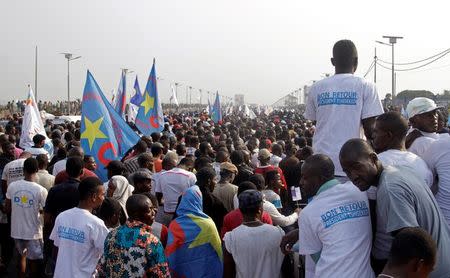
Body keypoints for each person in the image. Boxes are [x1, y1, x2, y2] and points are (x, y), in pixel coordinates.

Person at [339, 139, 450, 277]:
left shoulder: (390, 189)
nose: (353, 176)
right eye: (347, 172)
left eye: (357, 167)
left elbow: (410, 250)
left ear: (373, 159)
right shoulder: (399, 171)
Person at [281, 154, 374, 278]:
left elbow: (319, 258)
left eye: (305, 177)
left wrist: (302, 233)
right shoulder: (359, 191)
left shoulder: (309, 213)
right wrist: (301, 232)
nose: (301, 182)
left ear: (320, 178)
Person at [304, 39, 384, 179]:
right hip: (353, 166)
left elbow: (318, 122)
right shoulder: (366, 86)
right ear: (356, 61)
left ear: (333, 61)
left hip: (321, 164)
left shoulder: (316, 87)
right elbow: (370, 129)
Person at [97, 194, 170, 277]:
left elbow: (102, 268)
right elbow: (161, 274)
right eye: (149, 210)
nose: (154, 212)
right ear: (137, 214)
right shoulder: (151, 241)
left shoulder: (112, 235)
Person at [50, 177, 109, 277]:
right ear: (94, 196)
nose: (104, 198)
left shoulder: (62, 216)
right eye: (103, 194)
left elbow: (56, 248)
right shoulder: (96, 224)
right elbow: (107, 253)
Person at [224, 190, 284, 278]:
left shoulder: (231, 238)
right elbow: (286, 268)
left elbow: (228, 271)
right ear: (260, 210)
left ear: (240, 209)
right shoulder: (278, 233)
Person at [165, 186, 223, 278]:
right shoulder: (208, 223)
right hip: (205, 271)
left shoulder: (175, 224)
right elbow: (216, 250)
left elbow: (171, 253)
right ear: (198, 201)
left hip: (183, 271)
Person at [5, 157, 48, 278]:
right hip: (33, 232)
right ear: (37, 169)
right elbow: (46, 212)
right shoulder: (41, 190)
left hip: (17, 230)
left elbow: (7, 208)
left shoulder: (12, 186)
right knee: (34, 261)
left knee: (21, 256)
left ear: (23, 170)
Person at [154, 156, 196, 226]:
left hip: (167, 212)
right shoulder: (190, 176)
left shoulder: (163, 175)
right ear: (190, 168)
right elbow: (195, 195)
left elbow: (158, 194)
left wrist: (163, 203)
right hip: (183, 214)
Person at [422, 135, 450, 226]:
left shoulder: (441, 144)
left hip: (441, 223)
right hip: (442, 221)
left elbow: (426, 180)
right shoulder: (441, 144)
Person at [196, 167, 228, 232]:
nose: (216, 183)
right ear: (209, 181)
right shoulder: (214, 202)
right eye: (214, 180)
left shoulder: (185, 197)